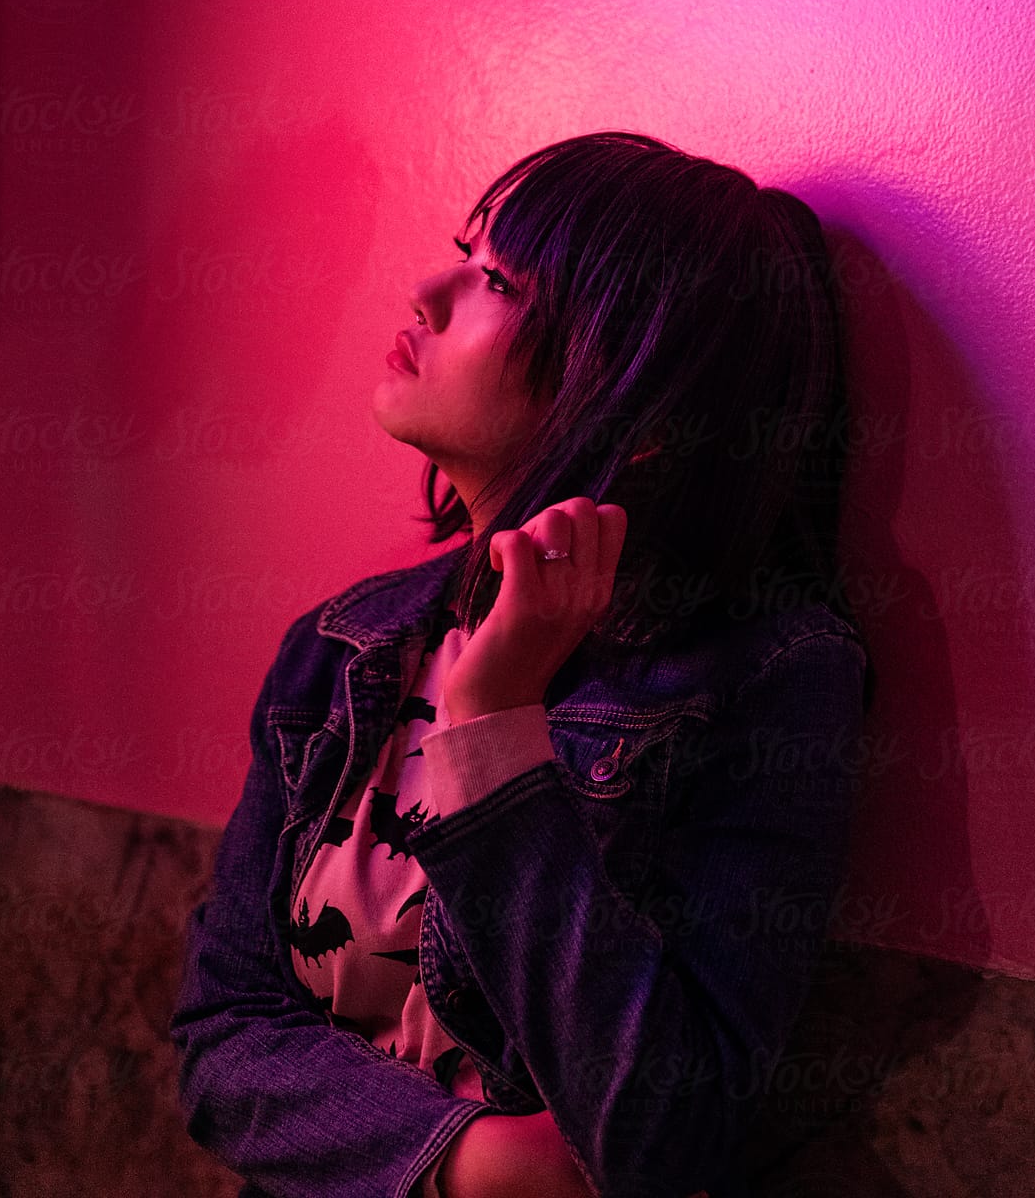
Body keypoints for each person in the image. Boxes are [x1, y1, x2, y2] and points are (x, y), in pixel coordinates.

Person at [169, 129, 875, 1198]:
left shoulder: (769, 682)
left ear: (636, 412)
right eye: (466, 250)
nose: (426, 289)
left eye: (497, 279)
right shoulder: (341, 649)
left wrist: (493, 728)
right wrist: (471, 1163)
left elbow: (662, 1134)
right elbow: (220, 1040)